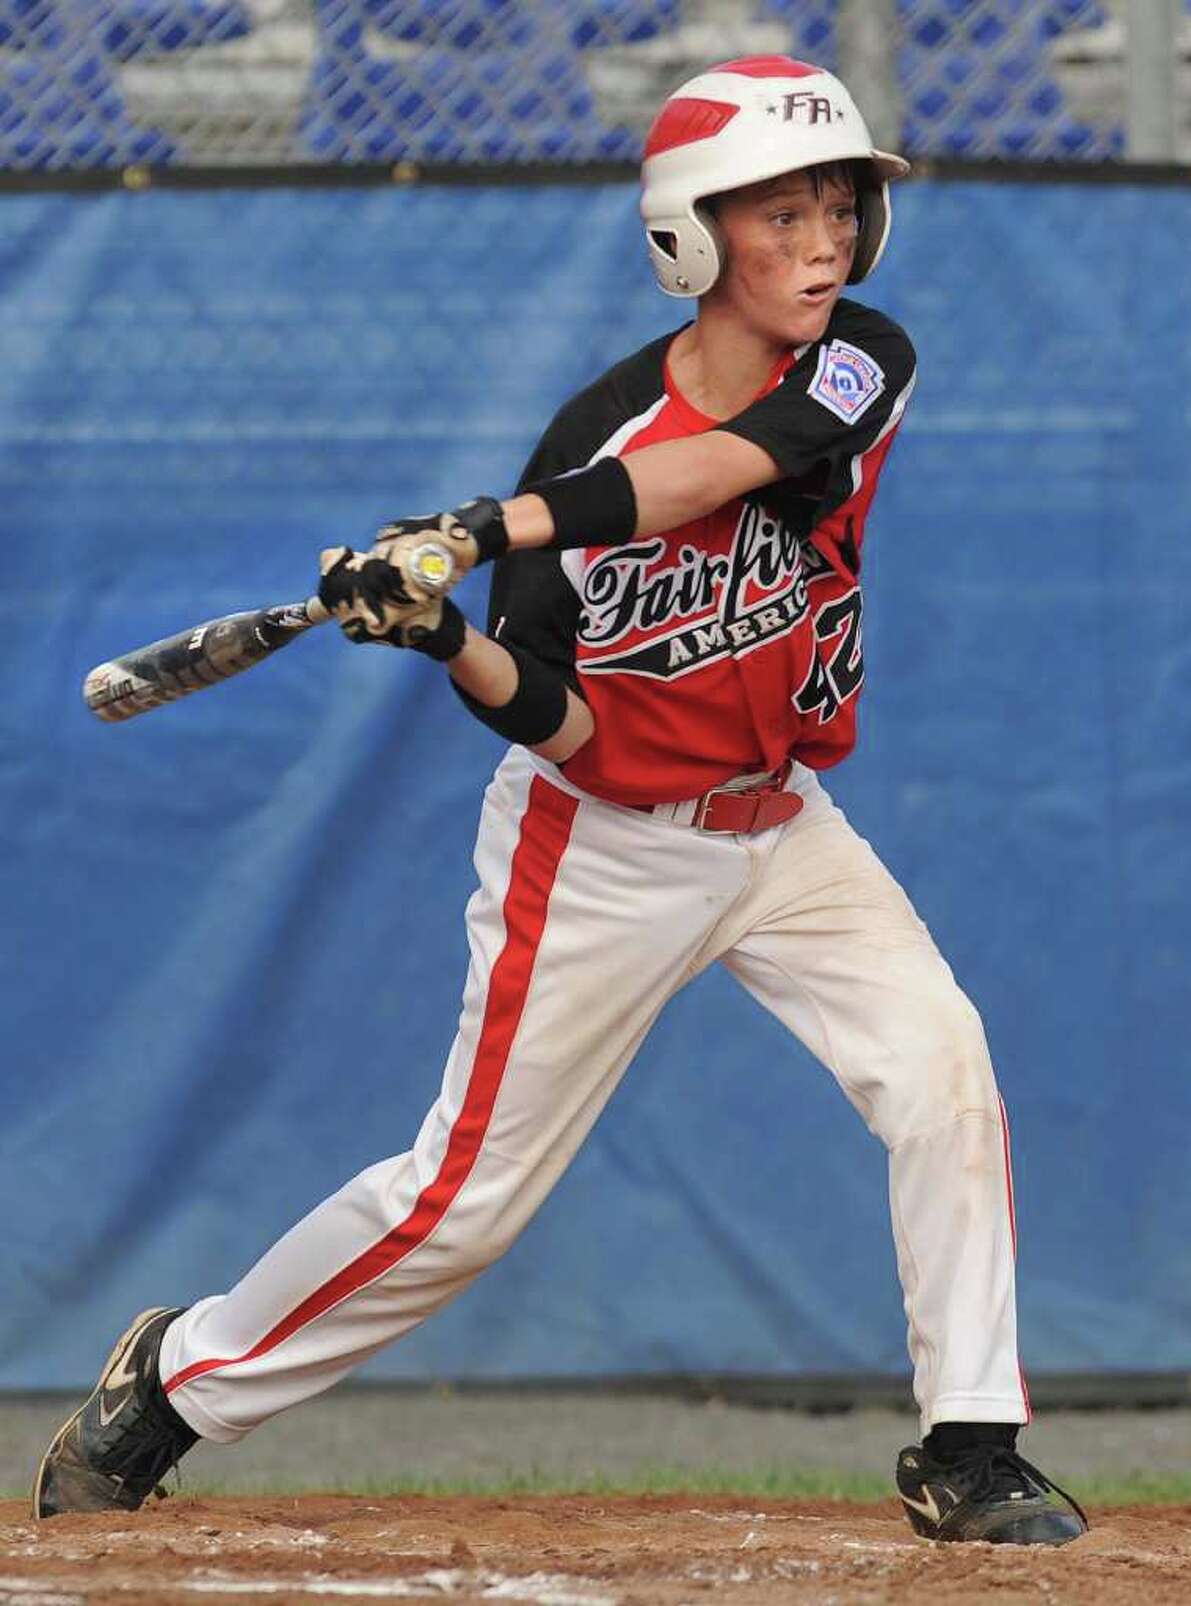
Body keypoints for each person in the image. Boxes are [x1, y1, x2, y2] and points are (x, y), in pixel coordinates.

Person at [35, 56, 1086, 1546]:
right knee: (463, 1201)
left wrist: (473, 526)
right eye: (781, 214)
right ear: (692, 241)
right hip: (603, 846)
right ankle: (174, 1381)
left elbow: (743, 464)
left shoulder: (860, 360)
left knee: (941, 1064)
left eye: (837, 204)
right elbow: (568, 725)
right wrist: (446, 630)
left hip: (782, 825)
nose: (827, 238)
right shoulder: (577, 463)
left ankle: (970, 1447)